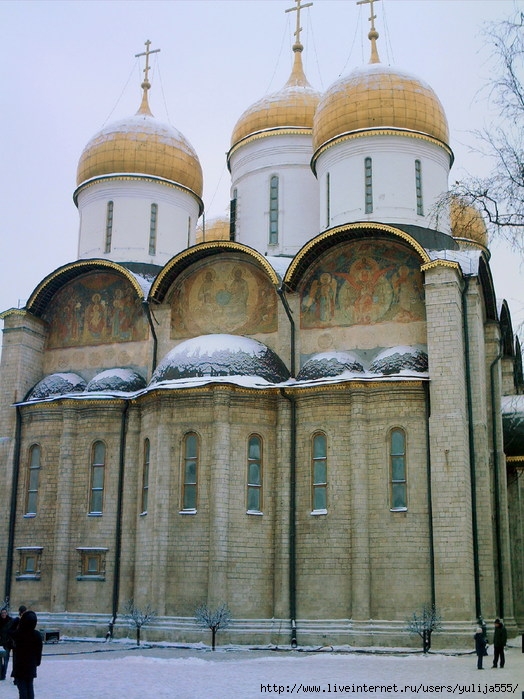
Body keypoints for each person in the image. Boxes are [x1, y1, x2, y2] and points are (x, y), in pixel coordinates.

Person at [9, 610, 42, 699]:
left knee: (22, 688)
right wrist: (37, 662)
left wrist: (16, 621)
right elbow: (39, 651)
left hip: (20, 665)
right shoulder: (37, 635)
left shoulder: (19, 634)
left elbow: (10, 631)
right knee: (29, 687)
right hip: (31, 666)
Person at [0, 608, 14, 680]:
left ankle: (3, 674)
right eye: (2, 613)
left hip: (7, 644)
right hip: (0, 643)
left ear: (6, 613)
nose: (3, 614)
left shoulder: (10, 621)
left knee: (6, 660)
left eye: (4, 612)